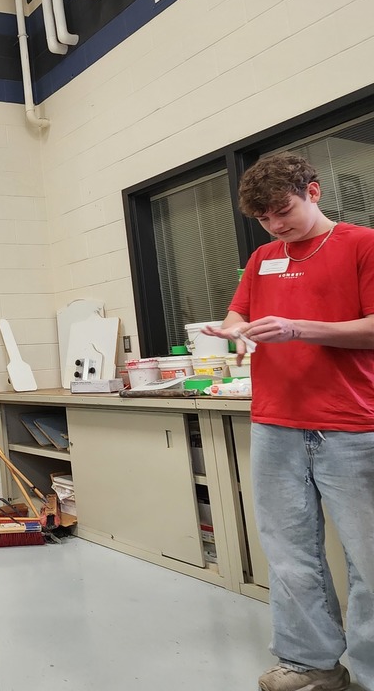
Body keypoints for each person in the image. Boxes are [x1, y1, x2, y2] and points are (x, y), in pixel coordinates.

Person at [201, 153, 374, 691]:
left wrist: (300, 328)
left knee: (369, 554)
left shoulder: (361, 244)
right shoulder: (262, 258)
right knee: (289, 552)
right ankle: (311, 663)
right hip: (275, 424)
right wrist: (235, 331)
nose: (277, 225)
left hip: (350, 424)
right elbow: (239, 313)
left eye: (284, 210)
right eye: (264, 218)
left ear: (314, 191)